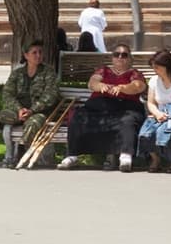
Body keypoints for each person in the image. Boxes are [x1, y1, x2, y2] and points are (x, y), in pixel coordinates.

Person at [60, 43, 147, 171]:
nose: (120, 57)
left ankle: (125, 155)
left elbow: (138, 86)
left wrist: (123, 88)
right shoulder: (104, 70)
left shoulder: (134, 73)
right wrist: (100, 86)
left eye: (124, 55)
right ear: (112, 57)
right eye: (117, 54)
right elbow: (92, 82)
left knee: (127, 120)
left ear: (130, 59)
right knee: (78, 116)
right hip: (99, 107)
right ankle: (72, 155)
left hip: (124, 107)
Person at [0, 39, 60, 167]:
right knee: (3, 116)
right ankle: (9, 154)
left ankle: (22, 152)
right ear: (26, 56)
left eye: (40, 52)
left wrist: (32, 110)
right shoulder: (17, 73)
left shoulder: (48, 72)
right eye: (34, 52)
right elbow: (7, 94)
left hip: (38, 112)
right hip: (19, 111)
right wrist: (19, 110)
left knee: (32, 124)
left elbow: (50, 96)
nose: (38, 55)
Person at [137, 49, 171, 172]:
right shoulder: (154, 81)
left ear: (167, 66)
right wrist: (157, 113)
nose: (155, 70)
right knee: (145, 133)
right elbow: (151, 102)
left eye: (157, 67)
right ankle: (155, 159)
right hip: (160, 112)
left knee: (166, 131)